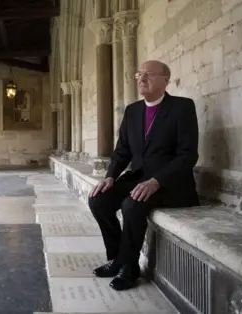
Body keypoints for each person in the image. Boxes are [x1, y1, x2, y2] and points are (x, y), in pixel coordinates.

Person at [88, 60, 200, 291]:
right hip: (138, 177)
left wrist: (157, 180)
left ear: (166, 80)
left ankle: (129, 268)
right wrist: (110, 176)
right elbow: (123, 151)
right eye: (139, 74)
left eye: (149, 74)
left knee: (132, 204)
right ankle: (118, 259)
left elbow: (188, 155)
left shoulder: (182, 107)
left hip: (170, 183)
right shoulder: (133, 110)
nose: (142, 78)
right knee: (98, 200)